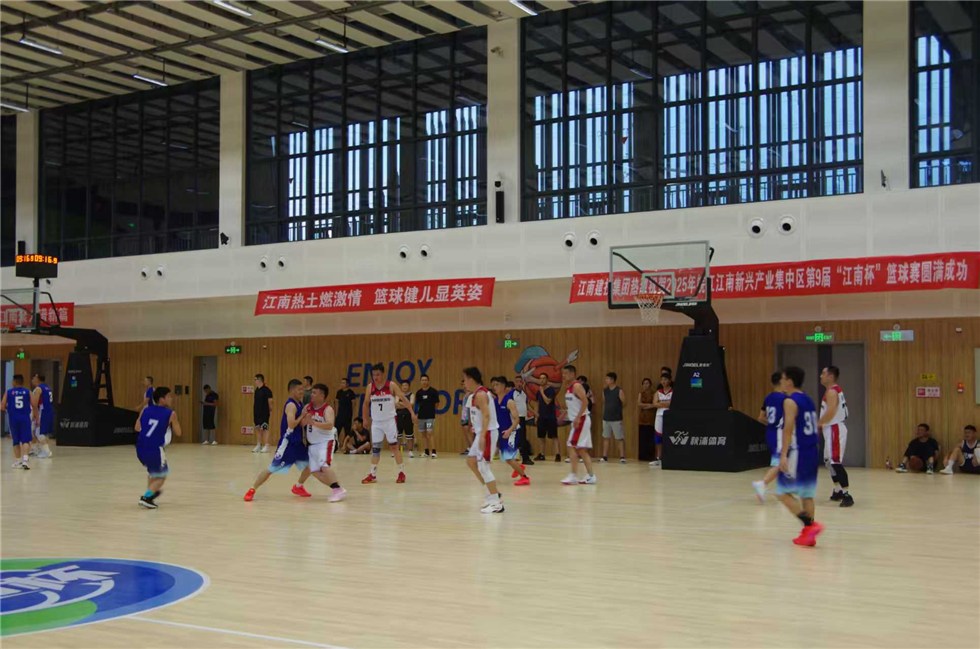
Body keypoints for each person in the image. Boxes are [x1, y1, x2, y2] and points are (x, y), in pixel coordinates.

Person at [775, 366, 824, 547]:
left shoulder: (790, 401)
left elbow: (788, 429)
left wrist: (783, 455)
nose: (781, 382)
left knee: (782, 493)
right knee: (807, 494)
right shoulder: (808, 399)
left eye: (783, 379)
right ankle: (809, 536)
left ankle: (810, 526)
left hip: (799, 452)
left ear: (789, 381)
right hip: (812, 450)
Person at [244, 379, 313, 501]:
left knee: (311, 465)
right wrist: (302, 415)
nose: (302, 392)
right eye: (299, 389)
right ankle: (252, 489)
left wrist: (308, 418)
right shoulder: (291, 405)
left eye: (302, 389)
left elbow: (300, 424)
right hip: (288, 444)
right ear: (292, 390)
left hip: (298, 443)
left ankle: (298, 486)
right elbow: (291, 425)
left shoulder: (300, 404)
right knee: (271, 469)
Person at [361, 364, 415, 484]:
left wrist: (412, 412)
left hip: (389, 421)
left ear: (383, 374)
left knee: (394, 447)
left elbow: (404, 399)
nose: (375, 377)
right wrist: (365, 418)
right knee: (376, 449)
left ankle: (401, 473)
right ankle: (372, 474)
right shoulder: (370, 387)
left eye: (378, 374)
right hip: (376, 423)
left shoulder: (391, 385)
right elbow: (365, 403)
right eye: (373, 375)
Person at [462, 367, 503, 513]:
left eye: (465, 379)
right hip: (481, 433)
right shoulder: (473, 395)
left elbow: (487, 416)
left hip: (488, 433)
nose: (464, 383)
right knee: (471, 461)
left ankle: (496, 503)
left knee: (484, 467)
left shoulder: (481, 394)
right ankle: (492, 493)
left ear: (471, 379)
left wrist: (483, 436)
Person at [135, 386, 182, 509]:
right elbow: (179, 433)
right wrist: (172, 423)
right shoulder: (171, 413)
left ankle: (150, 495)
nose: (171, 399)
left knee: (152, 473)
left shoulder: (145, 410)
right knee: (161, 476)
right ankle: (146, 497)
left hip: (140, 447)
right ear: (162, 399)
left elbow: (137, 428)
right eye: (169, 396)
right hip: (155, 448)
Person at [300, 383, 346, 502]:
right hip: (312, 443)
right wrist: (304, 420)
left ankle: (337, 490)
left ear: (322, 395)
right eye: (312, 392)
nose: (311, 395)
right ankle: (338, 488)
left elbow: (330, 425)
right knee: (314, 470)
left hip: (325, 442)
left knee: (324, 465)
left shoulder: (327, 409)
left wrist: (313, 422)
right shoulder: (307, 407)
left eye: (314, 393)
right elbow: (302, 423)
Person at [818, 365, 853, 506]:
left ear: (830, 376)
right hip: (830, 428)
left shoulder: (832, 392)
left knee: (835, 462)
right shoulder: (832, 390)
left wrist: (818, 423)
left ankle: (847, 495)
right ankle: (838, 490)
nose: (821, 376)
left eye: (823, 373)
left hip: (834, 428)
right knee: (829, 462)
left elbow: (831, 411)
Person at [560, 365, 597, 485]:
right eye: (563, 373)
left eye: (566, 373)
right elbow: (574, 405)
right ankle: (591, 476)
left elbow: (585, 401)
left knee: (571, 445)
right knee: (581, 450)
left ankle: (573, 475)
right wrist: (564, 414)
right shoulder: (568, 387)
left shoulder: (576, 386)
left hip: (581, 420)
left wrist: (577, 418)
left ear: (572, 374)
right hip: (577, 420)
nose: (563, 375)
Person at [491, 376, 529, 486]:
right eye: (493, 385)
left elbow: (517, 419)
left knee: (508, 457)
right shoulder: (494, 401)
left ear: (504, 386)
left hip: (512, 431)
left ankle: (525, 477)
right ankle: (519, 467)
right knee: (506, 457)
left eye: (497, 385)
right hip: (501, 432)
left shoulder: (509, 402)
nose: (494, 387)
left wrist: (509, 430)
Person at [752, 372, 785, 501]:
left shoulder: (768, 398)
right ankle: (762, 484)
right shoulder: (785, 399)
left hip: (770, 432)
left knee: (784, 461)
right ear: (782, 382)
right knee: (779, 463)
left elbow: (761, 418)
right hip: (779, 434)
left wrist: (772, 423)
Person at [2, 375, 34, 469]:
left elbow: (2, 406)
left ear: (14, 382)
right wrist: (36, 416)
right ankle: (25, 460)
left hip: (13, 418)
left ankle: (18, 461)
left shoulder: (9, 392)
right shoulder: (28, 391)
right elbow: (34, 404)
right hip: (25, 418)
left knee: (16, 441)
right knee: (25, 440)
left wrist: (9, 409)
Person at [530, 373, 560, 462]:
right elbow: (537, 403)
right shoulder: (538, 392)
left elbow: (547, 401)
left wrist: (542, 392)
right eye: (540, 378)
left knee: (554, 436)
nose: (542, 380)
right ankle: (542, 454)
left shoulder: (551, 390)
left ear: (547, 380)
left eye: (543, 378)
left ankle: (557, 454)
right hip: (541, 417)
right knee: (541, 437)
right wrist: (536, 415)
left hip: (550, 417)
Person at [600, 372, 627, 463]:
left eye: (607, 379)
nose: (606, 380)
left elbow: (624, 402)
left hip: (616, 418)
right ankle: (604, 456)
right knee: (606, 437)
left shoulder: (619, 390)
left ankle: (622, 457)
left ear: (612, 380)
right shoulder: (605, 391)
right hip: (606, 417)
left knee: (619, 438)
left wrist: (617, 410)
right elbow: (604, 402)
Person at [414, 374, 440, 458]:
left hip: (430, 417)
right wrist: (416, 415)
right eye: (422, 380)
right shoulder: (418, 393)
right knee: (423, 434)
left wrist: (431, 411)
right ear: (420, 381)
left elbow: (437, 404)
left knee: (430, 432)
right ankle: (426, 452)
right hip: (421, 417)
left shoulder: (433, 391)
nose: (424, 382)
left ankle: (434, 452)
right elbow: (417, 405)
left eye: (425, 380)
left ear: (428, 381)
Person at [30, 373, 54, 458]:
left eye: (34, 377)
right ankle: (36, 449)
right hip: (49, 411)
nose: (32, 379)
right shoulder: (47, 388)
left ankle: (47, 452)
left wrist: (35, 417)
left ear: (38, 379)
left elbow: (34, 404)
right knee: (35, 431)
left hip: (42, 412)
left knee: (39, 432)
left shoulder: (38, 389)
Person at [651, 375, 673, 468]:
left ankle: (669, 457)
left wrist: (661, 403)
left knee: (669, 436)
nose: (663, 381)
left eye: (665, 380)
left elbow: (672, 404)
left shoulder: (673, 391)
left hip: (670, 416)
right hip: (659, 416)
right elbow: (654, 404)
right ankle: (658, 458)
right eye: (662, 380)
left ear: (669, 381)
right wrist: (666, 403)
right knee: (658, 437)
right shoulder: (658, 392)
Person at [512, 375, 533, 464]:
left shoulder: (524, 394)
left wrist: (534, 413)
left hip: (523, 418)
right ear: (515, 383)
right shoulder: (512, 394)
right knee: (518, 438)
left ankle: (524, 458)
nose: (519, 384)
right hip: (516, 418)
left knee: (522, 438)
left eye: (520, 382)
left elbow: (526, 406)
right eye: (517, 382)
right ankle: (523, 458)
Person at [252, 373, 274, 453]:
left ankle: (266, 445)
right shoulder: (256, 390)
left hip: (264, 412)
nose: (254, 381)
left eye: (255, 379)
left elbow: (270, 401)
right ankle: (259, 445)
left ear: (259, 380)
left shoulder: (266, 390)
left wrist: (270, 410)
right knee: (257, 428)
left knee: (265, 428)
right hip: (256, 412)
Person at [334, 378, 357, 449]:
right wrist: (336, 413)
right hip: (339, 415)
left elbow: (353, 403)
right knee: (336, 431)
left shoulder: (351, 392)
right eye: (341, 383)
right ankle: (335, 446)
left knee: (347, 432)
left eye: (343, 383)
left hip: (348, 416)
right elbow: (336, 402)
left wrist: (352, 413)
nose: (342, 384)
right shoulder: (339, 392)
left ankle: (345, 446)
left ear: (347, 384)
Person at [637, 378, 656, 461]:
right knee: (642, 438)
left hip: (651, 417)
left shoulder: (654, 393)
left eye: (647, 383)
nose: (645, 385)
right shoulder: (641, 393)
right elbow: (639, 404)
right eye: (644, 383)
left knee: (650, 438)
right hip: (642, 418)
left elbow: (654, 404)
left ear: (650, 384)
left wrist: (647, 406)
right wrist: (648, 405)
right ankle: (642, 456)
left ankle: (650, 456)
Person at [396, 380, 416, 457]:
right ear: (401, 387)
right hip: (399, 416)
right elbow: (396, 404)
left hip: (408, 416)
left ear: (409, 386)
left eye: (406, 385)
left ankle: (410, 451)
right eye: (403, 385)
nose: (405, 387)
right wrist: (406, 405)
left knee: (409, 435)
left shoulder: (412, 395)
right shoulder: (398, 395)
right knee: (398, 435)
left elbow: (411, 404)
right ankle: (397, 451)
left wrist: (401, 404)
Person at [459, 380, 474, 455]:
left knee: (469, 433)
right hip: (464, 416)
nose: (463, 386)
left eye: (464, 384)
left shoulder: (470, 394)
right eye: (462, 384)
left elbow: (470, 408)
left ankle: (473, 449)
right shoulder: (465, 394)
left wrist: (470, 420)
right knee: (466, 433)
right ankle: (469, 448)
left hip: (468, 417)